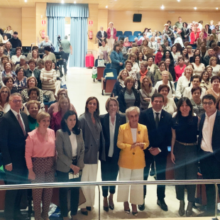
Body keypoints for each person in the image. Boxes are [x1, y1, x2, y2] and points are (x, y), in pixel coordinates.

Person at [139, 93, 172, 211]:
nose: (158, 103)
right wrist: (148, 147)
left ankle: (161, 199)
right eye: (156, 101)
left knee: (161, 176)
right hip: (146, 150)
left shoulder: (168, 116)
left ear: (163, 103)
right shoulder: (143, 114)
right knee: (144, 176)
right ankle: (141, 199)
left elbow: (169, 137)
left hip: (161, 151)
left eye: (160, 101)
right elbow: (141, 133)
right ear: (152, 102)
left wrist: (160, 149)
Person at [0, 93, 29, 220]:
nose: (18, 103)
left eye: (20, 100)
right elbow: (3, 142)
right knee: (12, 190)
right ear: (10, 102)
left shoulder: (24, 116)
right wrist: (7, 162)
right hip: (12, 162)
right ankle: (9, 215)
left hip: (23, 161)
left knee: (20, 189)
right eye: (15, 101)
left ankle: (17, 213)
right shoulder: (5, 118)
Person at [117, 106, 149, 216]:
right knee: (124, 183)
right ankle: (125, 203)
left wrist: (142, 145)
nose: (134, 118)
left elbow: (147, 143)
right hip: (125, 160)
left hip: (139, 161)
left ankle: (134, 204)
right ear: (128, 117)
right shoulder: (122, 128)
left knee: (137, 184)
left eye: (136, 116)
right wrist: (130, 146)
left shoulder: (144, 128)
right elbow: (119, 143)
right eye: (131, 116)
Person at [25, 111, 56, 220]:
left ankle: (45, 215)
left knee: (48, 192)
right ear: (38, 121)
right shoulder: (31, 135)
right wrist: (30, 170)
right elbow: (27, 155)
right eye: (44, 121)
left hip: (50, 165)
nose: (46, 123)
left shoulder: (52, 132)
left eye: (48, 120)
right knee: (37, 194)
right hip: (37, 166)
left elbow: (55, 149)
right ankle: (38, 216)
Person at [171, 97, 199, 217]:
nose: (184, 107)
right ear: (179, 107)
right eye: (182, 105)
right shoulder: (175, 118)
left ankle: (190, 203)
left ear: (190, 106)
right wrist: (171, 152)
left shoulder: (196, 118)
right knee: (179, 177)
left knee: (192, 177)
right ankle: (181, 202)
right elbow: (173, 136)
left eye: (186, 105)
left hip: (192, 149)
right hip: (179, 148)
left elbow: (199, 136)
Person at [56, 110, 85, 220]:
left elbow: (82, 150)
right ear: (65, 121)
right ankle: (64, 215)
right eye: (70, 120)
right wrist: (71, 166)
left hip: (77, 165)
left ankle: (74, 213)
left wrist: (78, 166)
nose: (73, 122)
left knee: (75, 191)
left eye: (74, 119)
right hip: (64, 167)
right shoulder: (60, 133)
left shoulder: (79, 132)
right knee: (63, 192)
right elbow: (60, 153)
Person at [79, 97, 105, 215]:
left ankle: (90, 203)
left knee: (92, 180)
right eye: (90, 103)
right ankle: (83, 205)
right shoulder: (82, 118)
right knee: (84, 180)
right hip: (85, 155)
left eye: (94, 103)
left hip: (95, 155)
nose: (92, 105)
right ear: (86, 104)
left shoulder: (98, 118)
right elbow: (79, 139)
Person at [99, 98, 126, 212]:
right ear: (107, 107)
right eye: (111, 105)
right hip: (105, 153)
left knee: (114, 177)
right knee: (105, 177)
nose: (113, 107)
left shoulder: (122, 118)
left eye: (115, 105)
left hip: (117, 153)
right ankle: (104, 198)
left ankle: (111, 197)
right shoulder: (102, 118)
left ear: (117, 106)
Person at [197, 94, 220, 216]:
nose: (207, 105)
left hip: (217, 158)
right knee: (209, 185)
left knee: (219, 185)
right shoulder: (202, 117)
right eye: (204, 103)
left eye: (209, 103)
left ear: (215, 103)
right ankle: (211, 210)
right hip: (205, 157)